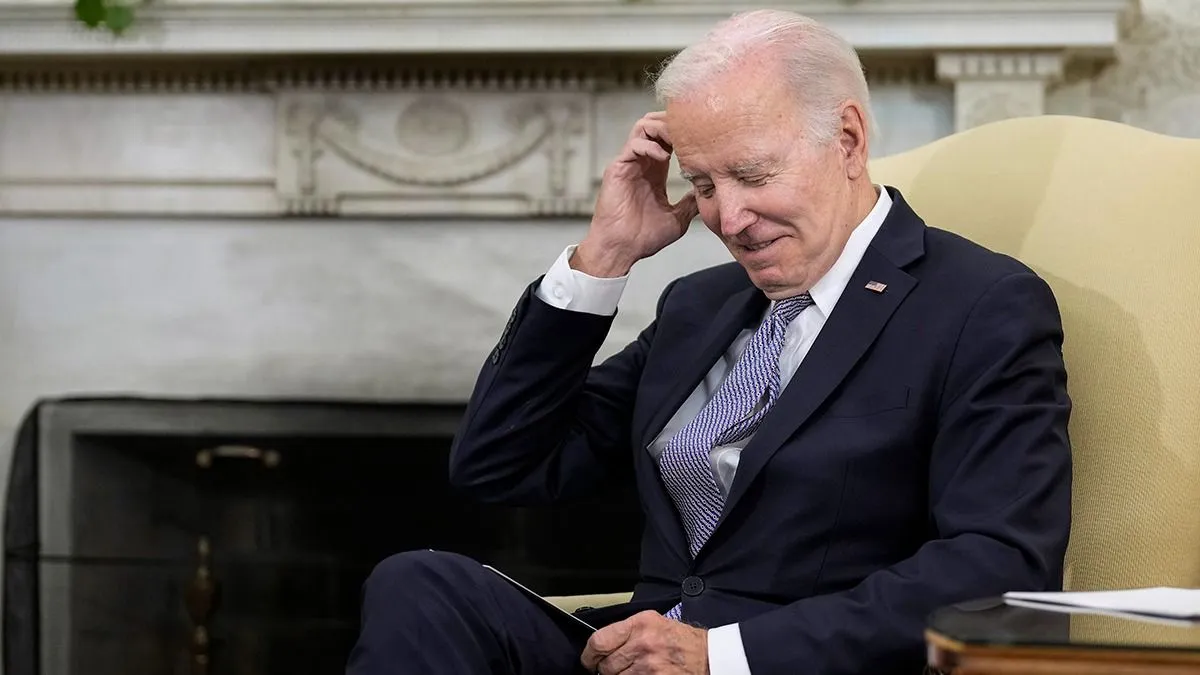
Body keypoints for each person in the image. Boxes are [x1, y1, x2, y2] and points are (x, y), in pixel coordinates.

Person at [345, 9, 1072, 675]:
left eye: (752, 175)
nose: (729, 218)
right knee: (420, 584)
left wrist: (721, 654)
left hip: (792, 661)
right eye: (703, 184)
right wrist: (604, 257)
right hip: (637, 656)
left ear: (847, 140)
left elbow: (998, 566)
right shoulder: (701, 305)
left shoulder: (978, 304)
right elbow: (500, 464)